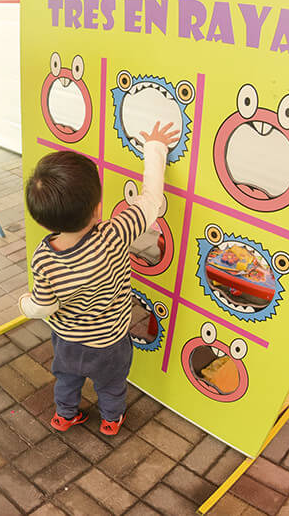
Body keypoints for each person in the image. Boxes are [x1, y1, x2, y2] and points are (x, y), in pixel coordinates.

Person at [19, 121, 178, 435]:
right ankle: (110, 420)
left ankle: (64, 415)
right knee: (111, 383)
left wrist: (25, 305)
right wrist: (154, 147)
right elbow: (152, 200)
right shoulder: (115, 233)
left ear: (42, 217)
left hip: (67, 339)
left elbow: (43, 305)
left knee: (66, 378)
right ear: (97, 209)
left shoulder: (44, 256)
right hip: (110, 340)